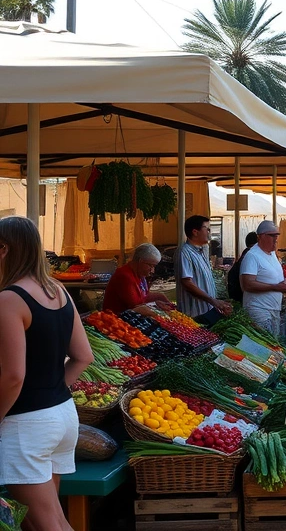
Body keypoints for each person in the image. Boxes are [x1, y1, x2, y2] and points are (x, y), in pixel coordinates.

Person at [0, 216, 93, 531]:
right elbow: (83, 356)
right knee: (44, 523)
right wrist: (50, 391)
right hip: (63, 416)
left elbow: (13, 375)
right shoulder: (58, 289)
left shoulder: (9, 300)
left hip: (27, 426)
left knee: (49, 525)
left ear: (4, 250)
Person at [176, 215, 233, 326]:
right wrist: (213, 300)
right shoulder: (184, 252)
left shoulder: (202, 251)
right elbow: (187, 283)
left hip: (208, 310)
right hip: (195, 315)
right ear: (195, 232)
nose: (209, 232)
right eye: (207, 229)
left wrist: (216, 302)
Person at [240, 221, 286, 337]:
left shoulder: (272, 254)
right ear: (261, 237)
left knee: (273, 345)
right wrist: (275, 287)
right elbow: (248, 284)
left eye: (276, 235)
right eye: (272, 236)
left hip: (273, 309)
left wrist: (282, 284)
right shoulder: (252, 256)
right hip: (259, 309)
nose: (275, 239)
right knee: (264, 345)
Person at [103, 243, 173, 314]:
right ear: (140, 261)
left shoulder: (140, 275)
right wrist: (155, 305)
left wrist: (159, 298)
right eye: (151, 266)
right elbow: (136, 306)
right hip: (116, 319)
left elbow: (143, 297)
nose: (152, 270)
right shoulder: (125, 276)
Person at [228, 232, 258, 303]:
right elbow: (247, 283)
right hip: (242, 297)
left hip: (237, 294)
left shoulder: (246, 254)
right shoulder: (250, 256)